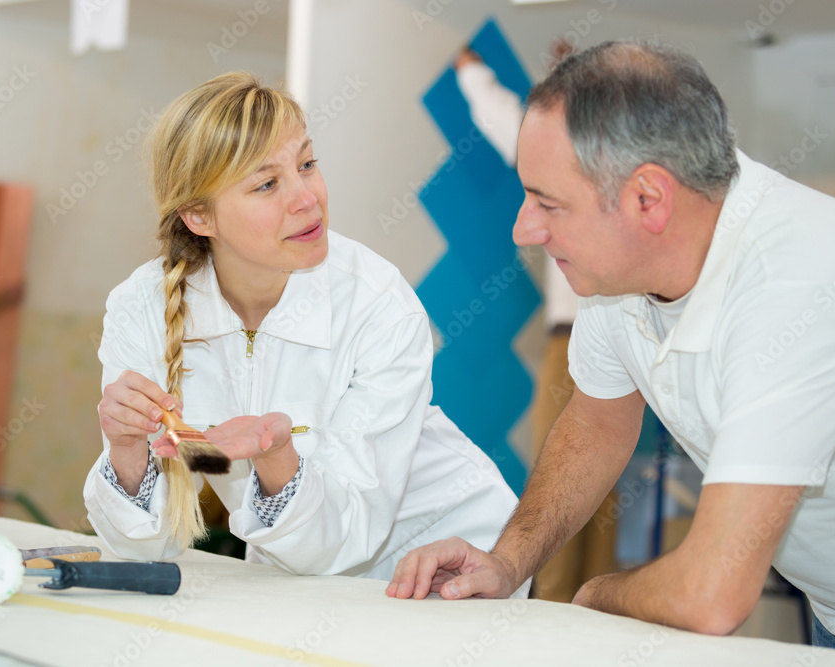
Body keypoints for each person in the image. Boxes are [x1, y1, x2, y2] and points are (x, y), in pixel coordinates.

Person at [387, 40, 835, 652]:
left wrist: (595, 599)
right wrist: (508, 563)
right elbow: (597, 423)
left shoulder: (797, 284)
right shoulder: (620, 276)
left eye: (548, 203)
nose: (524, 229)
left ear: (649, 199)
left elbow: (710, 595)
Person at [83, 72, 526, 591]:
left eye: (307, 164)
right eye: (267, 184)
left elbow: (351, 534)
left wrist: (277, 460)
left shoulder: (377, 302)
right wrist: (126, 450)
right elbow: (144, 549)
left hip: (455, 560)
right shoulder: (142, 308)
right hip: (301, 576)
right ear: (200, 216)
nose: (307, 198)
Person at [455, 41, 617, 603]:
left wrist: (470, 70)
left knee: (566, 484)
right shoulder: (610, 155)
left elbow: (506, 121)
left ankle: (556, 610)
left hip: (580, 341)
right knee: (597, 491)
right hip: (603, 339)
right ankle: (584, 610)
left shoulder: (571, 150)